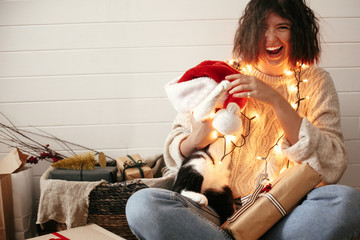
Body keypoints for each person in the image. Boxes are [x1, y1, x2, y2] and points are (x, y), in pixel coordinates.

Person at [126, 0, 360, 239]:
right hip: (214, 211)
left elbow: (332, 163)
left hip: (284, 213)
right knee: (142, 205)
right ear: (249, 32)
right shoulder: (220, 72)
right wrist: (195, 138)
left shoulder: (317, 81)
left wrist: (276, 100)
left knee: (347, 202)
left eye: (282, 27)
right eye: (262, 27)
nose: (270, 38)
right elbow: (173, 153)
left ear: (297, 31)